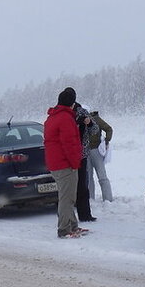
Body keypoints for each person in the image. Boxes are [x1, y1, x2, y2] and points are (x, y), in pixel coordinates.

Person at [44, 87, 85, 239]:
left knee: (67, 196)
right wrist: (75, 163)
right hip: (64, 164)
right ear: (72, 103)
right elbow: (70, 144)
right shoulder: (66, 118)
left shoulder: (52, 117)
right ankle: (63, 229)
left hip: (55, 163)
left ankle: (72, 225)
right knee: (67, 198)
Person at [81, 105, 114, 202]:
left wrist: (106, 141)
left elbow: (108, 129)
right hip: (85, 152)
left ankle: (108, 199)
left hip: (96, 150)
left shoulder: (96, 119)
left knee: (102, 175)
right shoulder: (79, 120)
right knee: (88, 177)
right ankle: (90, 199)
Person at [71, 96, 97, 222]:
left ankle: (85, 214)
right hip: (69, 155)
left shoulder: (82, 112)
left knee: (82, 185)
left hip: (81, 154)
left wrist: (89, 122)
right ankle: (68, 216)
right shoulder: (65, 113)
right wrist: (75, 123)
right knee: (70, 186)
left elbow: (95, 130)